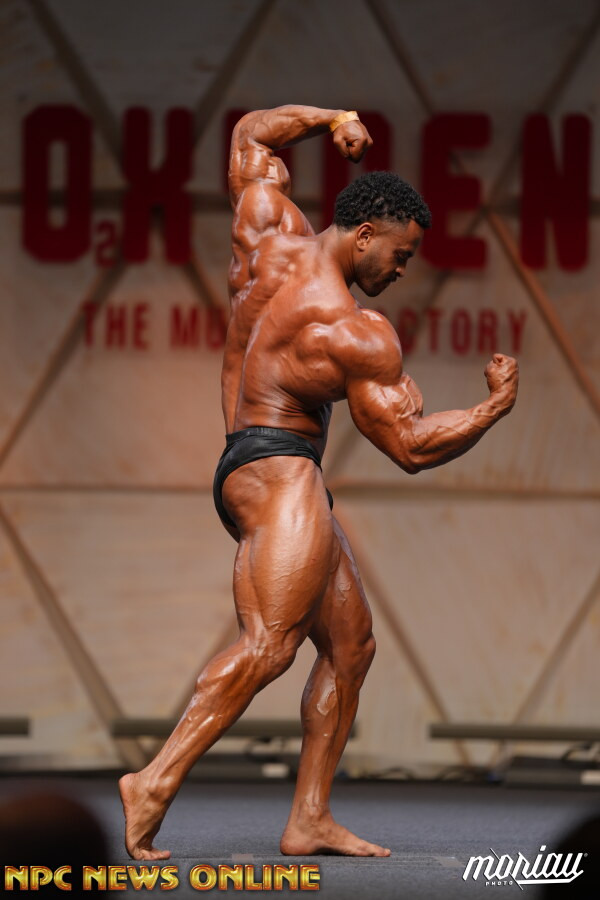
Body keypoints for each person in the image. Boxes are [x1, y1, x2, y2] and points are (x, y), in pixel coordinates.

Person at [120, 106, 519, 860]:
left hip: (251, 460)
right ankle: (154, 781)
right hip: (282, 471)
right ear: (365, 235)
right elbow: (408, 447)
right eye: (400, 255)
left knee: (351, 646)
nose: (400, 272)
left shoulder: (268, 229)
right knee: (270, 646)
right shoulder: (353, 331)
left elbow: (251, 135)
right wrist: (492, 408)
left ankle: (309, 817)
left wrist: (332, 117)